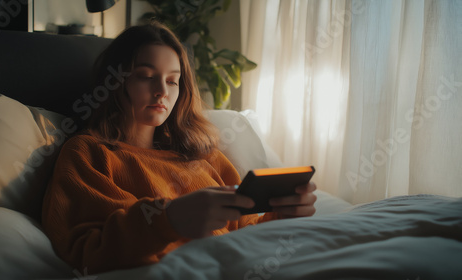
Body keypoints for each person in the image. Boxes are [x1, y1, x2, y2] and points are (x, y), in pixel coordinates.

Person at [41, 22, 317, 274]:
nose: (162, 90)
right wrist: (169, 219)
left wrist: (282, 214)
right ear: (115, 81)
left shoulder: (204, 156)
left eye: (173, 80)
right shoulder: (87, 153)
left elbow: (246, 233)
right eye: (146, 75)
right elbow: (87, 251)